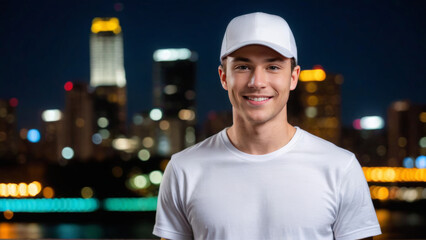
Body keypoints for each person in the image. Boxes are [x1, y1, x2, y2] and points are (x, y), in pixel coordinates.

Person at [153, 12, 381, 240]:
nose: (257, 82)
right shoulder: (184, 170)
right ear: (223, 77)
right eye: (243, 67)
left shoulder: (340, 168)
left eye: (272, 67)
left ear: (293, 77)